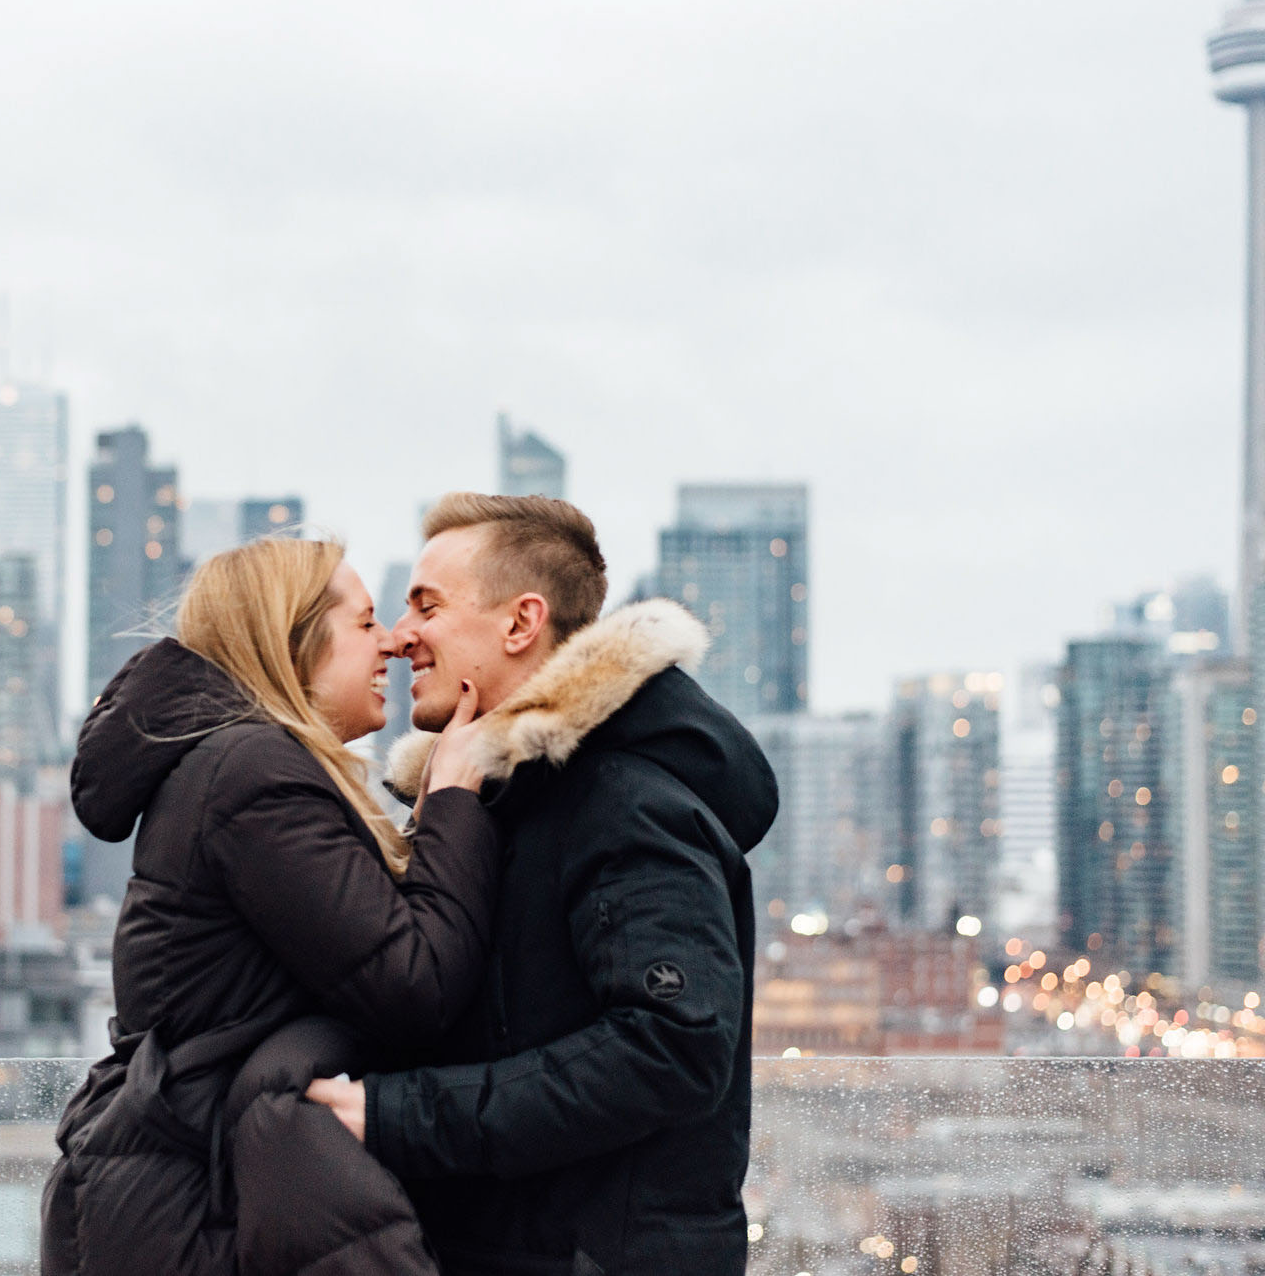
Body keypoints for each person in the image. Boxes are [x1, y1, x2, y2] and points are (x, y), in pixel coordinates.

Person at [305, 493, 779, 1276]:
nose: (400, 636)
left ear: (522, 623)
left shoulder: (624, 800)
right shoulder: (504, 800)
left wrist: (397, 1117)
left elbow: (673, 1045)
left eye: (427, 605)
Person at [42, 537, 497, 1276]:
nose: (390, 642)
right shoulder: (253, 775)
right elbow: (414, 981)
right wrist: (452, 801)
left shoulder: (236, 765)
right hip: (203, 1209)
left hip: (192, 1189)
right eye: (364, 622)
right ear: (294, 643)